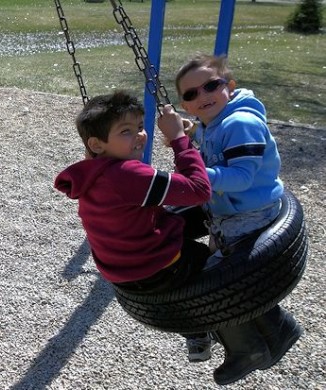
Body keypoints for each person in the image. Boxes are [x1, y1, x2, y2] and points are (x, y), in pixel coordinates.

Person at [54, 90, 213, 363]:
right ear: (97, 144)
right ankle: (250, 341)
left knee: (181, 215)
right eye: (126, 131)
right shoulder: (127, 175)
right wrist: (179, 139)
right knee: (222, 267)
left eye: (140, 127)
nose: (140, 135)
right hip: (159, 270)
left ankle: (196, 334)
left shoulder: (90, 173)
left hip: (125, 274)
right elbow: (199, 190)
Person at [175, 53, 303, 385]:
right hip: (228, 210)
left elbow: (243, 176)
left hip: (250, 211)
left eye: (211, 86)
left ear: (229, 87)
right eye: (191, 94)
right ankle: (279, 329)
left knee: (217, 282)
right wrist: (189, 143)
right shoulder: (209, 125)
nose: (202, 96)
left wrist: (198, 175)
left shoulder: (239, 123)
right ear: (186, 105)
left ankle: (248, 350)